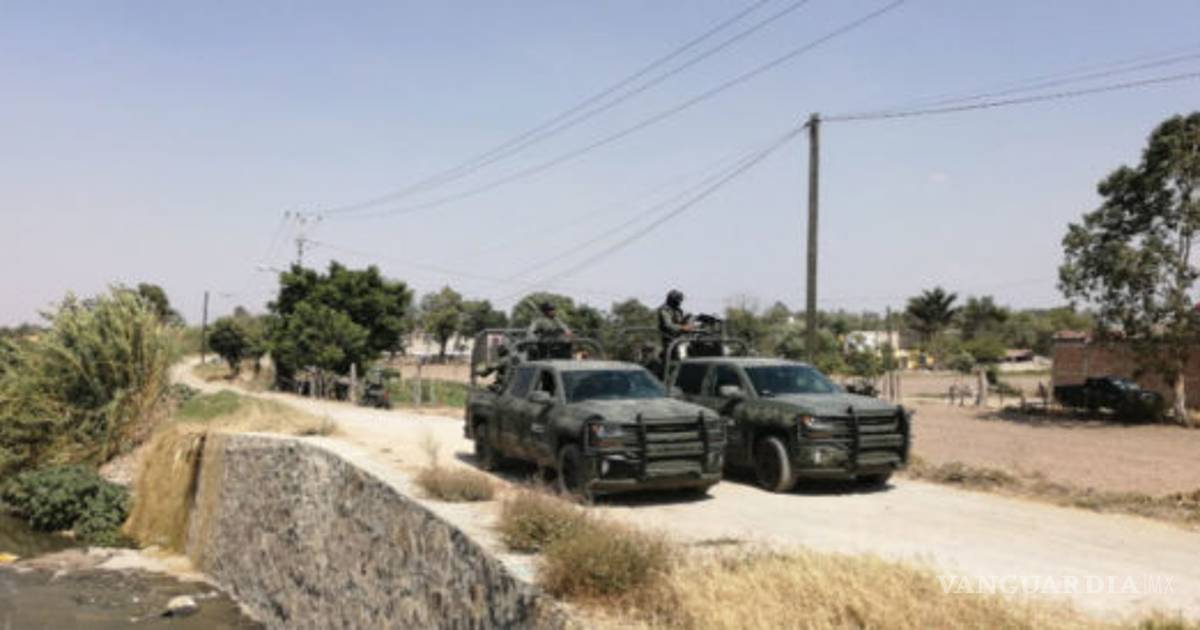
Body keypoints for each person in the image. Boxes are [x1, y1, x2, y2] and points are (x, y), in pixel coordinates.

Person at [657, 289, 693, 364]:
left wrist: (687, 321)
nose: (680, 302)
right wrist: (683, 327)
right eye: (678, 300)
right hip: (670, 340)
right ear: (673, 300)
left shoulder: (678, 310)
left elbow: (681, 322)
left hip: (681, 339)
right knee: (676, 360)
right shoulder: (665, 310)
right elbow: (668, 325)